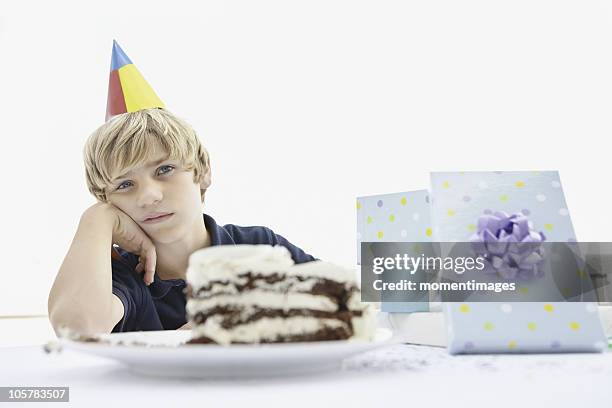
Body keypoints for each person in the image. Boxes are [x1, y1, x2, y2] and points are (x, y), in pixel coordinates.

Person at [47, 42, 315, 336]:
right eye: (124, 184)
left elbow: (357, 301)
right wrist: (96, 219)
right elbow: (75, 326)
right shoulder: (119, 276)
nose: (149, 195)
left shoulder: (259, 247)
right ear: (107, 199)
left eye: (164, 170)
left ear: (202, 172)